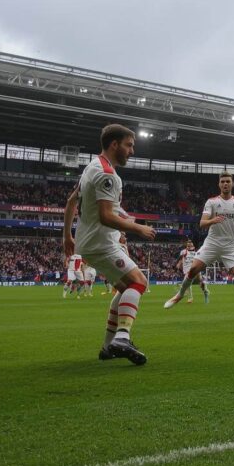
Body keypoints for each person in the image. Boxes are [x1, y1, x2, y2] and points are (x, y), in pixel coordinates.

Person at [63, 124, 156, 365]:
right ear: (114, 145)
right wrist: (138, 228)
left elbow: (71, 201)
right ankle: (122, 337)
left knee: (126, 288)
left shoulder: (92, 166)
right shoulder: (108, 175)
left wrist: (67, 236)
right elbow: (105, 216)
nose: (132, 151)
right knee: (139, 282)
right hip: (101, 243)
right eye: (129, 145)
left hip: (90, 241)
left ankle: (108, 347)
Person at [165, 172, 234, 320]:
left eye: (228, 181)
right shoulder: (212, 202)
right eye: (222, 181)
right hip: (212, 244)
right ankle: (179, 295)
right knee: (193, 269)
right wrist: (213, 220)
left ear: (232, 184)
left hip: (230, 247)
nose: (225, 184)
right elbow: (202, 223)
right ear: (219, 184)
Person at [175, 239, 210, 304]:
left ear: (193, 245)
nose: (189, 245)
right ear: (186, 245)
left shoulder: (196, 252)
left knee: (201, 283)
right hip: (187, 270)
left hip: (195, 269)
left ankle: (205, 292)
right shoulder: (183, 252)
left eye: (190, 244)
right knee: (188, 283)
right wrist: (178, 265)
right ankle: (190, 297)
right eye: (188, 244)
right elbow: (180, 260)